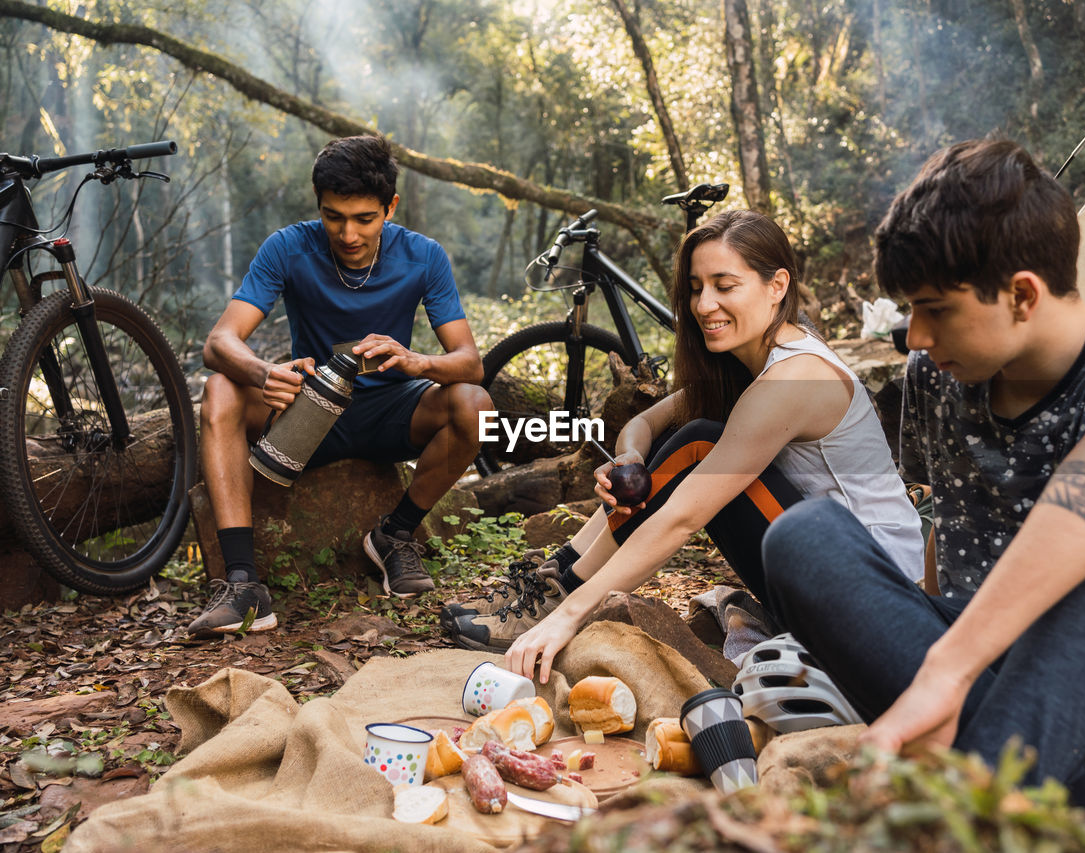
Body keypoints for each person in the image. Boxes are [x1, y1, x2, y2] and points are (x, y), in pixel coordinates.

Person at [760, 138, 1085, 825]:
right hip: (1004, 699)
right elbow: (942, 539)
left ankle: (987, 805)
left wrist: (946, 669)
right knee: (802, 535)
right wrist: (926, 652)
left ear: (1022, 294)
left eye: (935, 309)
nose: (915, 336)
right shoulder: (936, 378)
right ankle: (1057, 818)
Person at [442, 210, 925, 678]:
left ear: (777, 286)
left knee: (697, 442)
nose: (704, 305)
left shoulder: (793, 378)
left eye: (725, 286)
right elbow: (647, 422)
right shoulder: (755, 360)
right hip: (837, 577)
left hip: (874, 600)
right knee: (690, 437)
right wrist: (631, 460)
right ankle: (551, 578)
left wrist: (568, 618)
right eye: (696, 289)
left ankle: (559, 594)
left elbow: (683, 517)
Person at [188, 135, 489, 639]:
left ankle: (393, 536)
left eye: (364, 219)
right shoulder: (287, 247)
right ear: (318, 205)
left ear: (390, 207)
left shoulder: (424, 256)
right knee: (220, 387)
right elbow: (219, 342)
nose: (347, 234)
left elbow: (470, 363)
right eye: (333, 217)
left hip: (392, 412)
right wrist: (264, 373)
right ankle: (244, 585)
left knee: (476, 406)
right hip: (310, 412)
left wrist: (417, 361)